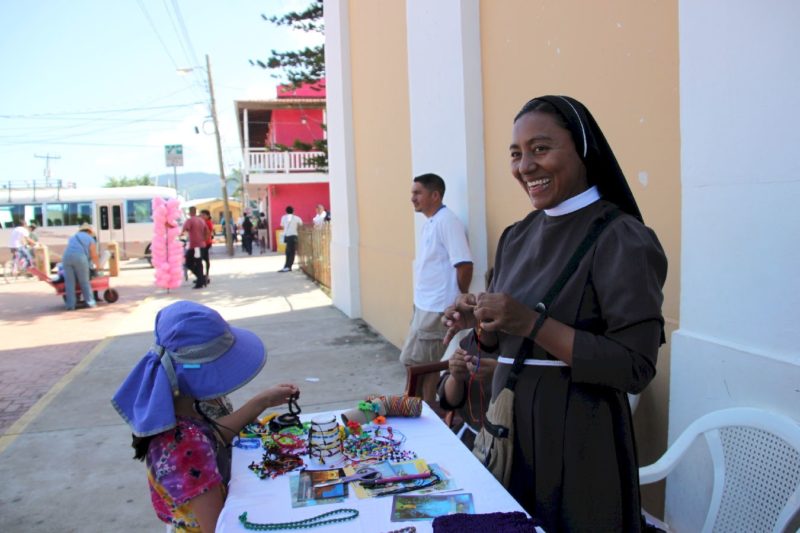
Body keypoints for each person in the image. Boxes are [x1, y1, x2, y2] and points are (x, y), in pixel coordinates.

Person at [442, 95, 667, 531]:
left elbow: (635, 368)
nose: (525, 166)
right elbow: (503, 342)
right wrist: (482, 322)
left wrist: (529, 322)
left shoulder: (622, 238)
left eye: (540, 149)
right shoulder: (517, 235)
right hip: (510, 435)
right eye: (516, 153)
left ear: (583, 151)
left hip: (580, 441)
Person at [111, 300, 299, 533]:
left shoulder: (182, 417)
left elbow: (211, 436)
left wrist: (262, 402)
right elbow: (217, 528)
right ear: (199, 372)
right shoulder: (187, 447)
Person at [400, 173, 473, 406]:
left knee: (423, 369)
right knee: (416, 365)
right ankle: (418, 411)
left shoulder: (447, 222)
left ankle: (423, 415)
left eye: (417, 193)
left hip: (436, 309)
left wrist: (457, 300)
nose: (412, 198)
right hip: (423, 305)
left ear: (435, 195)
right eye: (412, 193)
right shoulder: (431, 222)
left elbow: (464, 264)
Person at [62, 222, 100, 310]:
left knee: (69, 283)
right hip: (80, 258)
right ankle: (90, 302)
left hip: (66, 258)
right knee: (84, 282)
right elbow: (94, 255)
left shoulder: (73, 237)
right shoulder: (90, 238)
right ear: (89, 231)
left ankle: (70, 305)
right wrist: (98, 266)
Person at [181, 207, 208, 289]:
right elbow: (206, 231)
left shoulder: (190, 220)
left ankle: (200, 280)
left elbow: (185, 230)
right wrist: (204, 239)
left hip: (195, 246)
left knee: (189, 262)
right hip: (202, 245)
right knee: (199, 263)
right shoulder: (201, 220)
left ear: (189, 212)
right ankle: (202, 278)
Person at [278, 206, 302, 272]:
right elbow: (301, 225)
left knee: (288, 251)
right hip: (294, 236)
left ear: (286, 211)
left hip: (287, 236)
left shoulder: (283, 217)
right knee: (292, 252)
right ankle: (288, 266)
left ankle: (287, 266)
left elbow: (282, 226)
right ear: (293, 211)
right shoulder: (297, 218)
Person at [200, 210, 214, 284]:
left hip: (206, 243)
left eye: (203, 215)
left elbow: (209, 233)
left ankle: (205, 276)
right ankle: (203, 275)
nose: (202, 216)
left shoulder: (208, 222)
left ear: (208, 215)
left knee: (203, 259)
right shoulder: (203, 222)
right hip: (204, 243)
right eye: (201, 215)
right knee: (203, 259)